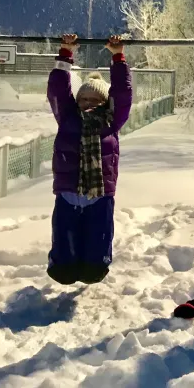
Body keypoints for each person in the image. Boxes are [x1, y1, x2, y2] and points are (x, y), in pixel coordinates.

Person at [46, 34, 132, 285]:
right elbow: (58, 91)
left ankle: (95, 266)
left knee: (99, 234)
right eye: (83, 99)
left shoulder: (111, 121)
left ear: (105, 104)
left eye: (95, 101)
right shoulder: (68, 118)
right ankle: (63, 266)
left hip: (100, 193)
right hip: (68, 191)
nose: (88, 104)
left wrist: (118, 58)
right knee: (64, 233)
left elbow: (123, 94)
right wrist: (65, 55)